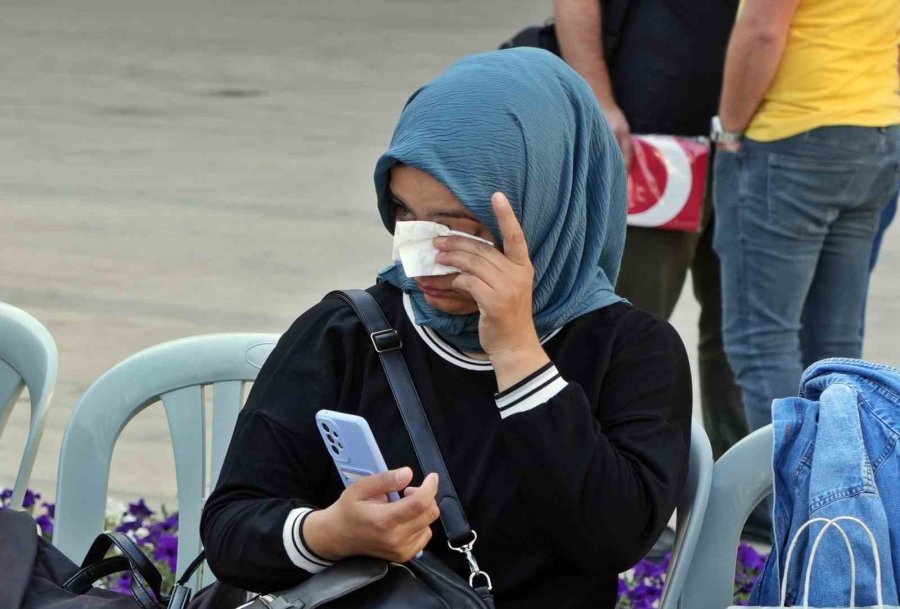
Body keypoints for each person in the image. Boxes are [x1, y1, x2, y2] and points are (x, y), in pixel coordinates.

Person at [200, 49, 692, 609]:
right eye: (406, 216)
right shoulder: (348, 331)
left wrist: (517, 352)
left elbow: (611, 537)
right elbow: (231, 527)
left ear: (547, 207)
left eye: (457, 228)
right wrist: (331, 532)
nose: (419, 258)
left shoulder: (629, 350)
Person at [553, 0, 745, 460]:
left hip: (758, 142)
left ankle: (744, 494)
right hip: (653, 145)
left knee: (741, 334)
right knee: (630, 322)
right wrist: (598, 98)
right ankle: (616, 478)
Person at [712, 0, 900, 433]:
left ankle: (796, 498)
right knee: (835, 347)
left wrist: (730, 128)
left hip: (793, 135)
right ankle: (841, 493)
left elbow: (763, 30)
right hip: (874, 130)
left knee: (762, 342)